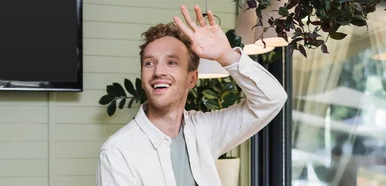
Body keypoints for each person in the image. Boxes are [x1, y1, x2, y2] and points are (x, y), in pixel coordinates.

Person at [96, 5, 287, 186]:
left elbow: (272, 99)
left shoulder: (204, 131)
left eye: (171, 62)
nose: (158, 71)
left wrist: (227, 55)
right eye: (149, 63)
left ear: (192, 78)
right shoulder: (117, 151)